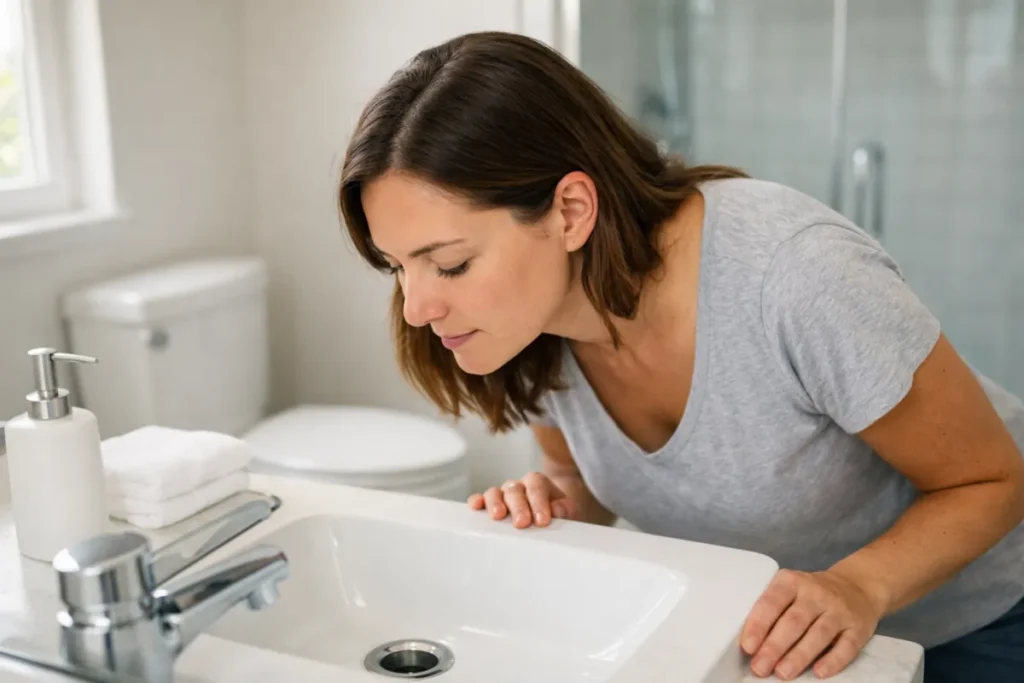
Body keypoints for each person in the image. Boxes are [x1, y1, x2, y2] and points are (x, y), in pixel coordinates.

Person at [337, 31, 1024, 682]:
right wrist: (558, 499)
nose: (416, 309)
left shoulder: (793, 275)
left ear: (572, 210)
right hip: (798, 638)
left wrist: (858, 584)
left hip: (982, 619)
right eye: (397, 266)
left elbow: (992, 479)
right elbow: (576, 470)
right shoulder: (534, 328)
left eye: (449, 264)